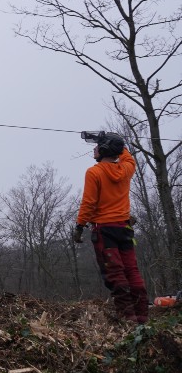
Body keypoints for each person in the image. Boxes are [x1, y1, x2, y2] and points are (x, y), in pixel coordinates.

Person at [73, 132, 149, 323]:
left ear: (104, 150)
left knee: (115, 273)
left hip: (105, 231)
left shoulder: (94, 172)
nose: (94, 148)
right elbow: (126, 155)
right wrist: (113, 141)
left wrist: (80, 225)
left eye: (98, 146)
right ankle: (142, 315)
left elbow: (89, 202)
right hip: (125, 229)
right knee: (132, 270)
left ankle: (127, 316)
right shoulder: (127, 168)